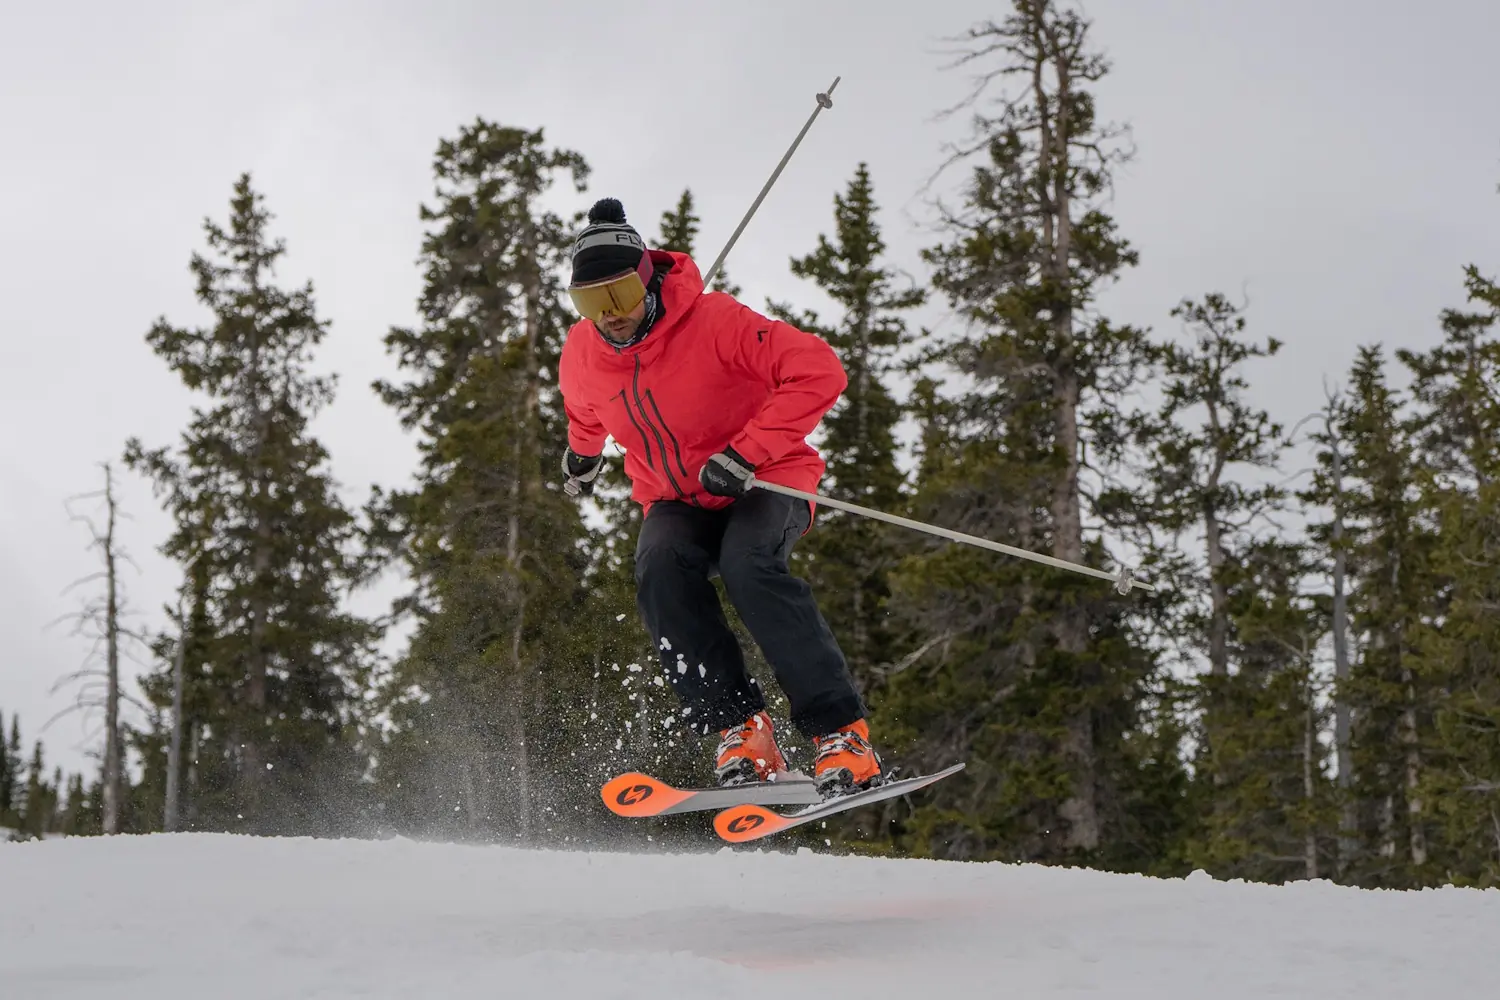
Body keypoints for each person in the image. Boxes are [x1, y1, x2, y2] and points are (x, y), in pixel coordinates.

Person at [556, 197, 882, 795]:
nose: (611, 315)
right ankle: (742, 727)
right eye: (591, 302)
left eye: (621, 295)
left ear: (648, 282)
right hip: (676, 496)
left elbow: (819, 369)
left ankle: (842, 734)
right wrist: (583, 452)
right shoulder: (582, 352)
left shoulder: (714, 322)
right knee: (659, 568)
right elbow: (585, 408)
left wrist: (747, 452)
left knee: (748, 566)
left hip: (765, 477)